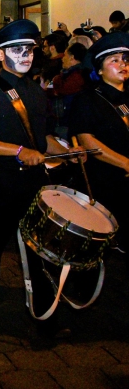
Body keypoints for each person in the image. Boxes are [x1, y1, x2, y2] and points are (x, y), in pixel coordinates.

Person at [0, 19, 82, 336]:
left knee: (39, 247)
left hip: (32, 183)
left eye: (29, 48)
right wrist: (18, 151)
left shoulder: (36, 90)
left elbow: (41, 138)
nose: (26, 54)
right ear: (1, 55)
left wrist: (68, 150)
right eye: (17, 49)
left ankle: (43, 310)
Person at [69, 32, 129, 263]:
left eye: (125, 60)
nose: (122, 65)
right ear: (100, 70)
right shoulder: (89, 99)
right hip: (107, 181)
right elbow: (87, 140)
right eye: (114, 60)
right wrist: (124, 162)